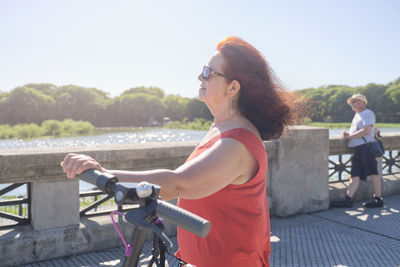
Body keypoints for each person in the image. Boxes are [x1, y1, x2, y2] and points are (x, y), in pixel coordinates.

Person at [61, 36, 295, 267]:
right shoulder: (220, 127)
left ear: (233, 87)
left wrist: (104, 172)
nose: (199, 77)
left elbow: (179, 183)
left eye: (208, 72)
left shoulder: (238, 142)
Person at [331, 93, 384, 208]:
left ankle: (378, 199)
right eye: (351, 102)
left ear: (363, 103)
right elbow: (364, 130)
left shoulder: (368, 113)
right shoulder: (357, 115)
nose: (352, 103)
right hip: (358, 149)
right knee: (355, 175)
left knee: (373, 173)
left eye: (355, 101)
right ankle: (348, 199)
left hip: (366, 148)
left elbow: (365, 131)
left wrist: (349, 136)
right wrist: (346, 134)